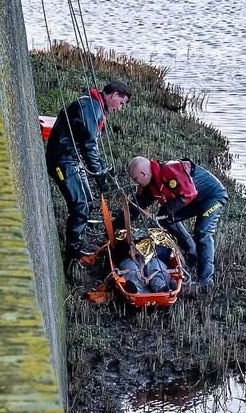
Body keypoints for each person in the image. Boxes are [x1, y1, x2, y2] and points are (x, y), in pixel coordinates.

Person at [44, 81, 131, 264]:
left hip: (71, 160)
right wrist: (100, 177)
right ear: (114, 96)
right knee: (80, 205)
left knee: (88, 202)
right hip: (61, 161)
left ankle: (77, 241)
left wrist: (104, 172)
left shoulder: (93, 106)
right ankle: (72, 254)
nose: (121, 108)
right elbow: (89, 147)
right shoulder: (91, 108)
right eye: (122, 103)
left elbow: (90, 146)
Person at [122, 156, 227, 289]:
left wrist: (168, 209)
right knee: (165, 218)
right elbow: (136, 206)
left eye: (136, 179)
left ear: (143, 174)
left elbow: (189, 193)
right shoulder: (150, 182)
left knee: (203, 232)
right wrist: (118, 224)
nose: (136, 183)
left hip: (213, 197)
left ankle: (206, 280)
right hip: (194, 199)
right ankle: (192, 250)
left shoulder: (170, 170)